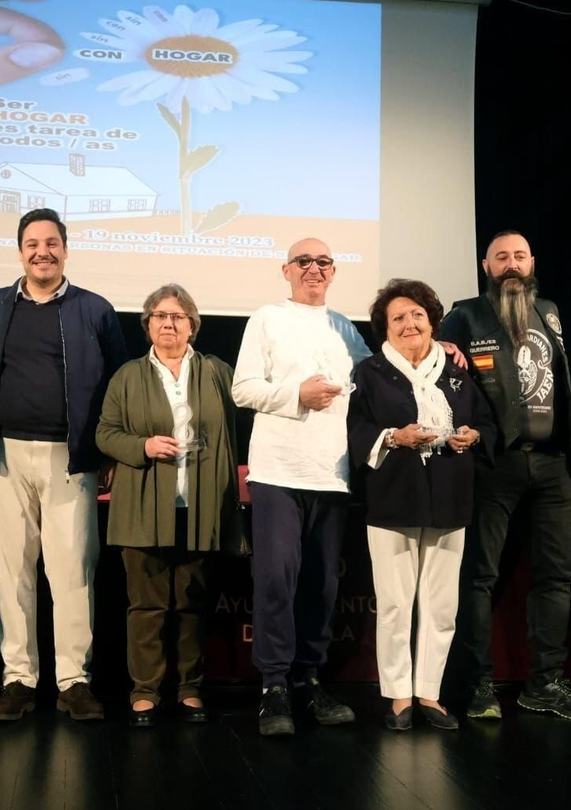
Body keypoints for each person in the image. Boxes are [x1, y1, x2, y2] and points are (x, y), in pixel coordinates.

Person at [438, 231, 571, 723]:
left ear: (532, 263)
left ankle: (546, 684)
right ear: (486, 266)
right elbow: (440, 376)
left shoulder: (549, 310)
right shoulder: (464, 313)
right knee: (480, 576)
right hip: (494, 462)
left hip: (553, 464)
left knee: (556, 575)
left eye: (520, 256)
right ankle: (476, 683)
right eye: (501, 257)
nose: (512, 264)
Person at [0, 208, 128, 722]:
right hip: (4, 456)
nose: (42, 251)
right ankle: (18, 678)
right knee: (11, 570)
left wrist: (105, 449)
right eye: (32, 243)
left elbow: (116, 385)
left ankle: (73, 680)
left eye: (52, 242)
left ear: (66, 248)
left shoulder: (96, 309)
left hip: (72, 459)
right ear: (20, 251)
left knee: (72, 573)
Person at [232, 238, 372, 736]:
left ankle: (309, 681)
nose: (313, 269)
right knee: (275, 580)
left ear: (334, 273)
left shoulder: (346, 329)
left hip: (332, 475)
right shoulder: (266, 318)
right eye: (303, 262)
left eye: (323, 262)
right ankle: (274, 687)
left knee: (323, 584)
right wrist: (298, 394)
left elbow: (380, 379)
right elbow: (242, 388)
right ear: (286, 270)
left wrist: (436, 345)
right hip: (277, 472)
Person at [347, 279, 494, 731]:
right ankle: (398, 696)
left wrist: (474, 434)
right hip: (394, 500)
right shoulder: (369, 372)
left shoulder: (456, 373)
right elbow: (353, 429)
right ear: (384, 330)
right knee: (394, 603)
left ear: (432, 321)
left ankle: (430, 693)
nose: (409, 323)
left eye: (416, 315)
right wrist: (394, 437)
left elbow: (484, 419)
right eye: (398, 318)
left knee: (441, 603)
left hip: (450, 498)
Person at [95, 284, 240, 727]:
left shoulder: (218, 372)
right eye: (159, 316)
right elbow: (104, 433)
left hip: (200, 506)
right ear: (147, 326)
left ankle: (190, 688)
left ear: (193, 325)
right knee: (147, 605)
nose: (168, 324)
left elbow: (254, 407)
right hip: (142, 505)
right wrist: (142, 444)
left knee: (192, 603)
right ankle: (144, 691)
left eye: (177, 316)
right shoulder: (127, 376)